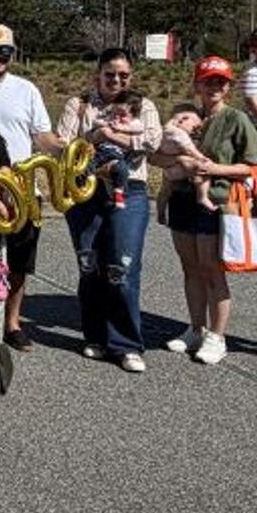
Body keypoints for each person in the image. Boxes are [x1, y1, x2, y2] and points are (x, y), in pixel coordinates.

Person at [56, 49, 162, 374]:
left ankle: (127, 343)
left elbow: (153, 142)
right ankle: (96, 335)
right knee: (90, 265)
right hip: (86, 191)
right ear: (97, 74)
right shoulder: (79, 105)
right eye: (110, 74)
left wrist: (112, 136)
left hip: (129, 193)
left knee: (122, 267)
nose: (116, 80)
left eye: (123, 75)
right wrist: (94, 135)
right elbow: (63, 144)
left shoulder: (142, 105)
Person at [154, 56, 257, 367]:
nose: (214, 86)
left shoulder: (236, 119)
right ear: (197, 84)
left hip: (216, 201)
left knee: (212, 269)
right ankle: (196, 327)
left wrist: (215, 168)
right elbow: (158, 154)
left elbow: (252, 166)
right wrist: (178, 163)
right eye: (208, 80)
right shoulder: (186, 117)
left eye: (221, 81)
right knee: (190, 267)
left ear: (229, 86)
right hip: (182, 198)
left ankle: (218, 335)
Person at [0, 24, 59, 353]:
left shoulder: (26, 89)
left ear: (13, 54)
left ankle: (12, 323)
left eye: (5, 52)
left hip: (19, 191)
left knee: (19, 261)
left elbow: (41, 135)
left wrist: (62, 150)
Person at [153, 104, 219, 214]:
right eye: (194, 127)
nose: (194, 131)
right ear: (183, 120)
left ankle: (161, 212)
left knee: (165, 191)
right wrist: (201, 158)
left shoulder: (162, 131)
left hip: (168, 168)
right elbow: (189, 149)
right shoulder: (177, 133)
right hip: (180, 167)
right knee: (202, 170)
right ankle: (202, 196)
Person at [89, 91, 148, 210]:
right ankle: (86, 180)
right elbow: (95, 121)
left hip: (117, 155)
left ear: (133, 115)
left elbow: (139, 128)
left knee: (122, 170)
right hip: (101, 151)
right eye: (115, 113)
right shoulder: (109, 120)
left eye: (122, 115)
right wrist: (105, 123)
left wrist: (122, 128)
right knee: (89, 164)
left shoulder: (134, 124)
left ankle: (119, 193)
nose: (117, 118)